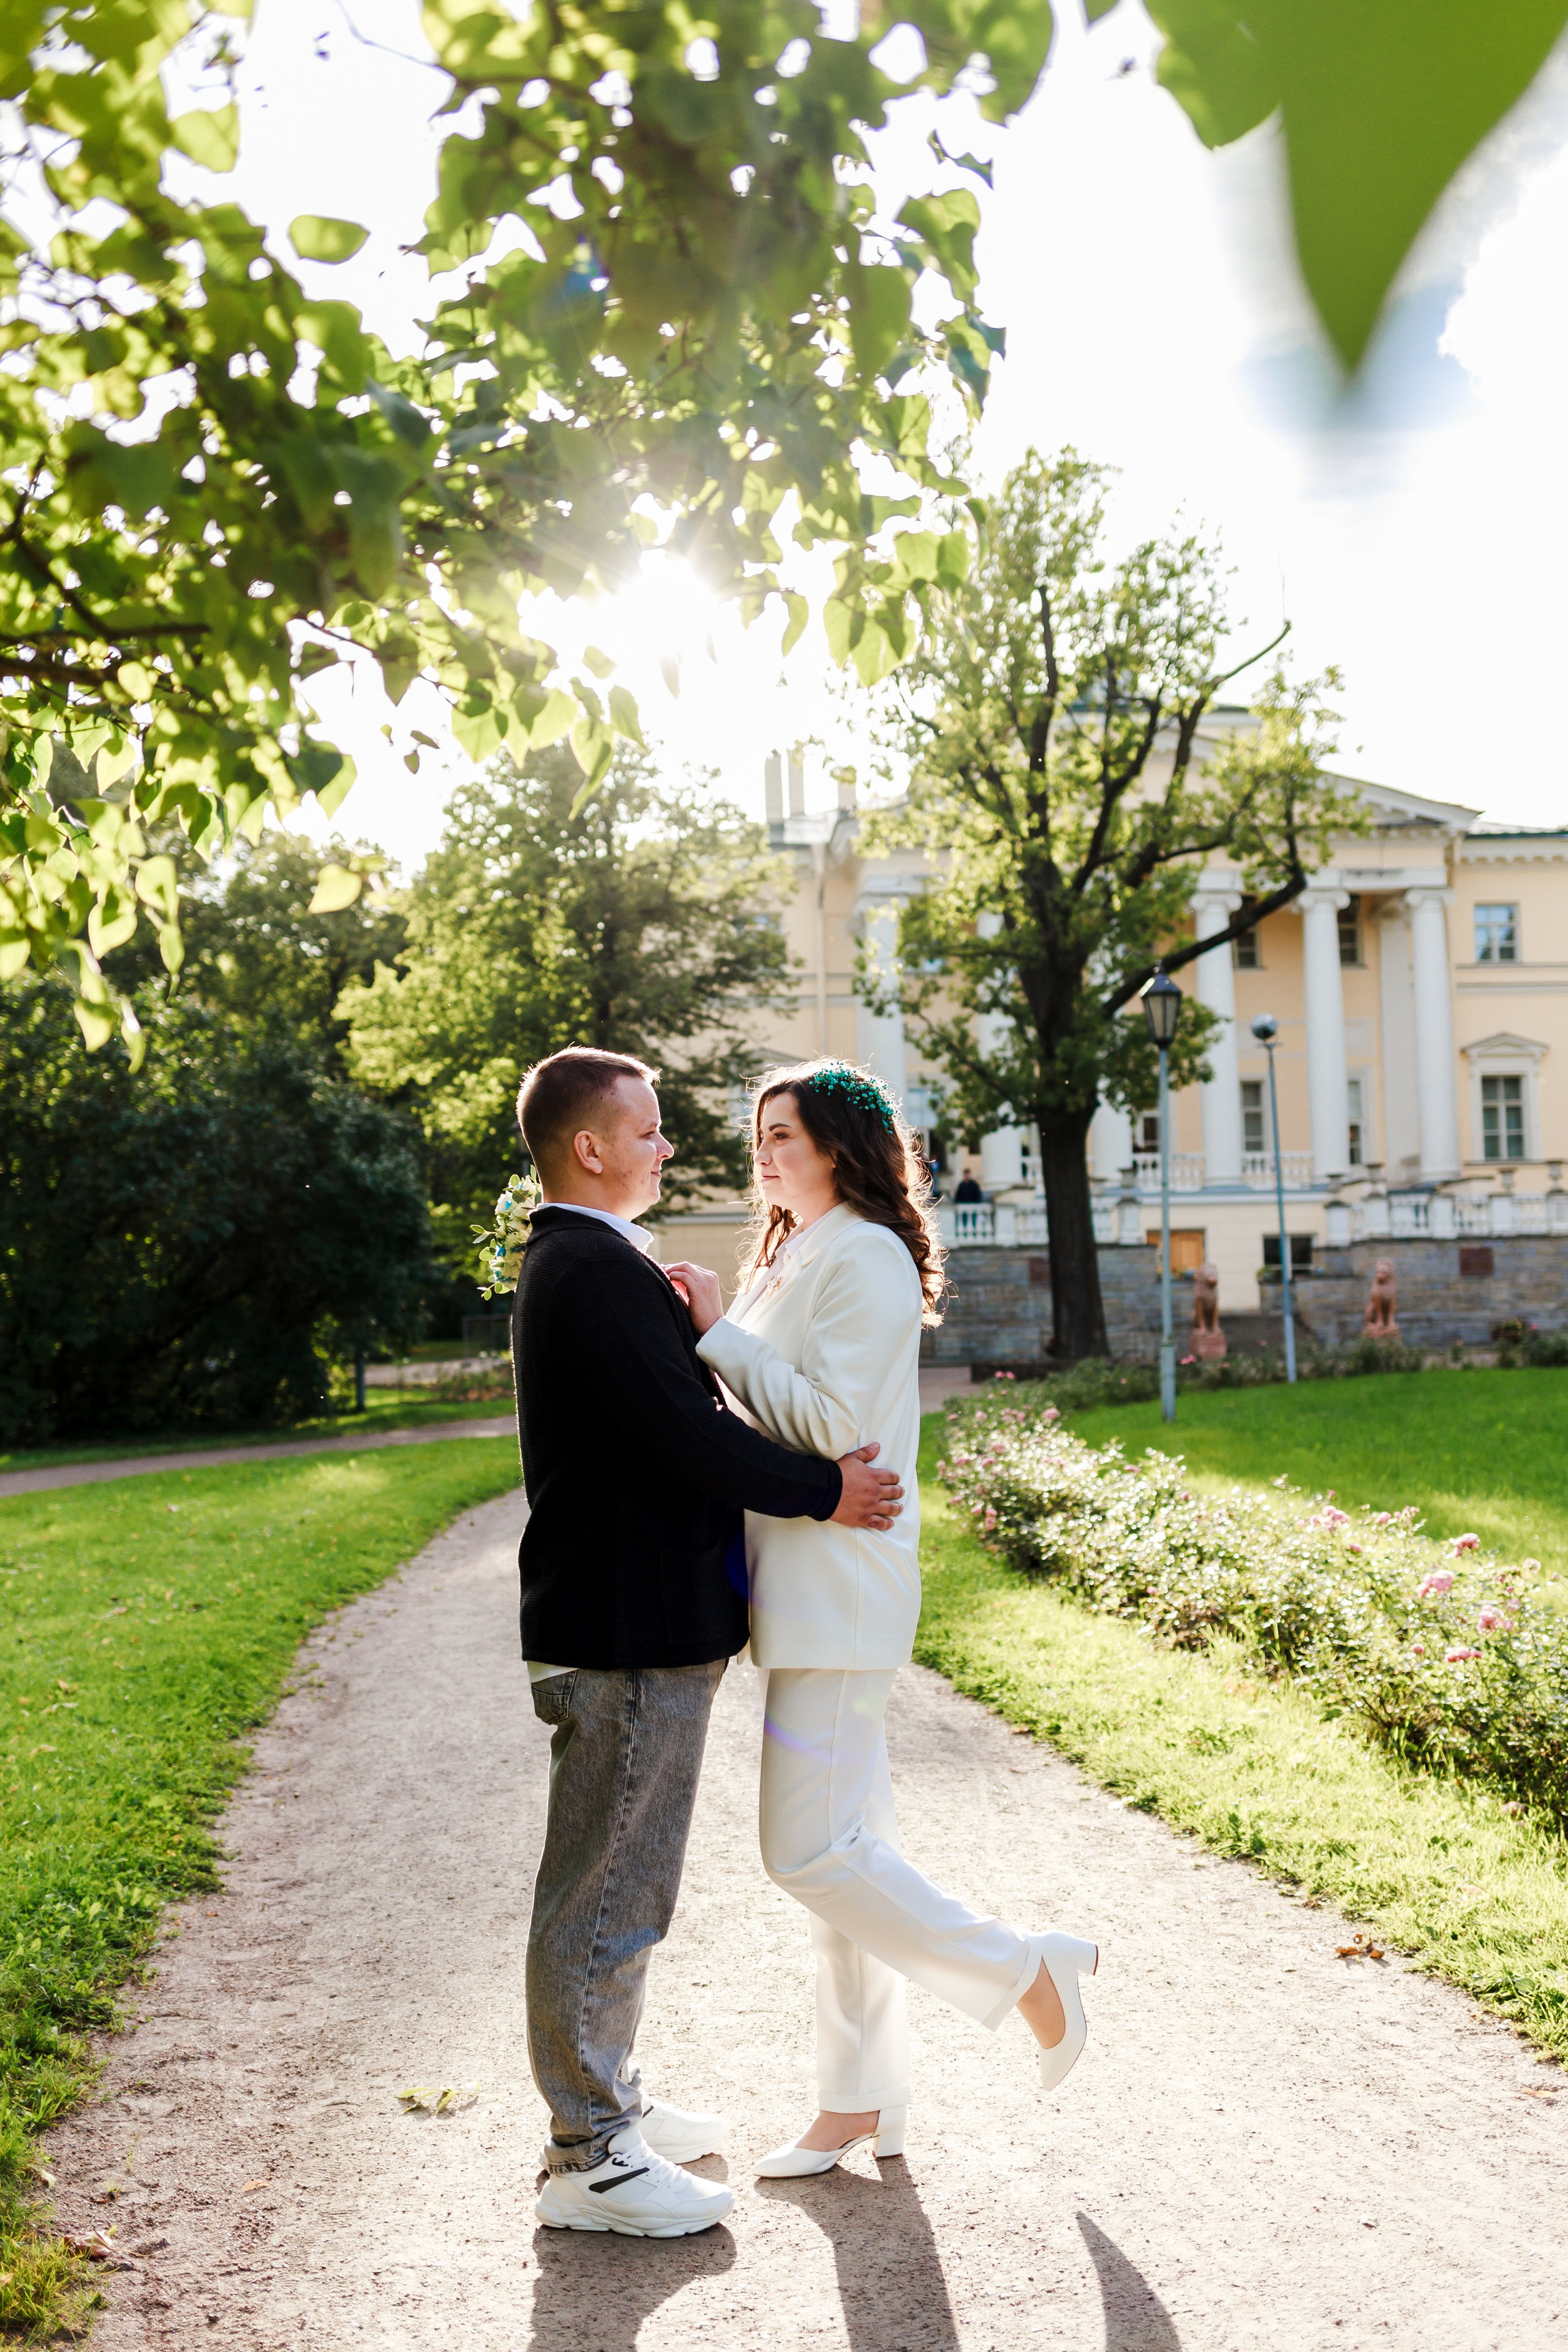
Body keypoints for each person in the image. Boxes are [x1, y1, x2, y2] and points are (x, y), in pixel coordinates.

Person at [665, 1060, 1098, 2177]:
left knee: (805, 1852)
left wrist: (717, 1335)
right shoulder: (793, 1250)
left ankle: (1023, 1970)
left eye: (787, 1135)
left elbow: (831, 1429)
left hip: (839, 1591)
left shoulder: (862, 1252)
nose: (765, 1153)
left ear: (843, 1149)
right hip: (801, 1588)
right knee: (849, 1853)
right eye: (759, 1134)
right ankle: (861, 2098)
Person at [511, 1045, 906, 2239]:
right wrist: (822, 1493)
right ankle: (590, 2151)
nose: (666, 1147)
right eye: (646, 1130)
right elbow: (687, 1438)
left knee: (623, 1886)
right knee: (607, 1896)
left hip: (642, 1628)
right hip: (627, 1633)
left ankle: (607, 2105)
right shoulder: (589, 1269)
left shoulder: (597, 1264)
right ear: (590, 1147)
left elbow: (684, 1425)